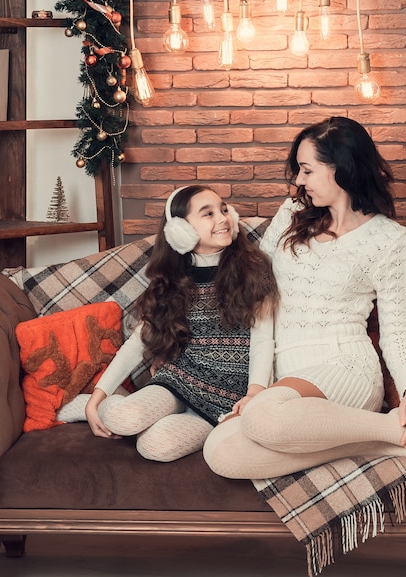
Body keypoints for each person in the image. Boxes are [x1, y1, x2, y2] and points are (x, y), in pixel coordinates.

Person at [203, 116, 406, 479]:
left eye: (307, 170)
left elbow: (396, 329)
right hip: (287, 380)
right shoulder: (292, 215)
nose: (299, 180)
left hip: (348, 368)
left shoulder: (389, 239)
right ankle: (386, 439)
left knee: (263, 416)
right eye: (299, 170)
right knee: (221, 452)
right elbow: (259, 303)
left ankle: (397, 424)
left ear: (339, 169)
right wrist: (257, 388)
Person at [57, 185, 278, 462]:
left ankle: (138, 414)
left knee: (154, 447)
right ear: (180, 231)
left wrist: (255, 391)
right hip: (179, 381)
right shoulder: (173, 281)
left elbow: (262, 341)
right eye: (207, 214)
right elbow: (138, 342)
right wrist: (97, 396)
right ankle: (99, 406)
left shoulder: (254, 271)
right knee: (123, 419)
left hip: (226, 399)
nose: (223, 218)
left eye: (223, 209)